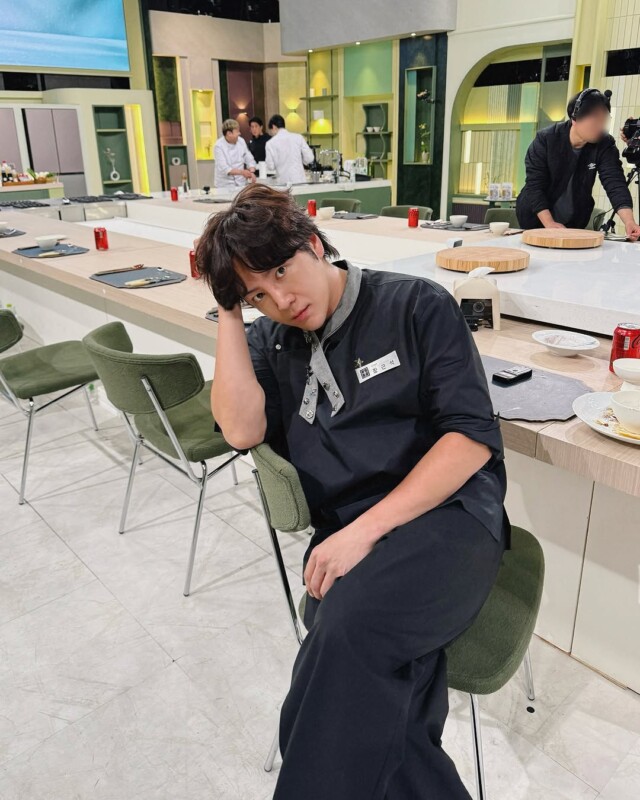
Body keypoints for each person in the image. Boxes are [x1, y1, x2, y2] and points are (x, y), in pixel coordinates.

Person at [196, 183, 509, 800]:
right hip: (350, 533)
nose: (282, 300)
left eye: (281, 272)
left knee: (339, 640)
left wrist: (363, 532)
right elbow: (240, 430)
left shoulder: (414, 305)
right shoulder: (269, 341)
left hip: (449, 517)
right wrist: (230, 311)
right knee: (373, 695)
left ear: (314, 244)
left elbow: (470, 439)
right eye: (258, 294)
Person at [516, 88, 640, 240]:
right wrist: (549, 224)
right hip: (536, 220)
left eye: (604, 120)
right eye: (595, 121)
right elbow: (534, 185)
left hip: (574, 223)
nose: (600, 127)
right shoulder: (546, 139)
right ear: (575, 118)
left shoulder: (604, 144)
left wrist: (629, 222)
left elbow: (615, 183)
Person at [265, 114, 314, 184]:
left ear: (273, 126)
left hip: (283, 182)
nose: (271, 134)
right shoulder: (298, 137)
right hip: (299, 180)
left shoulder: (270, 143)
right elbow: (310, 158)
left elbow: (270, 166)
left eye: (271, 131)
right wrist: (302, 161)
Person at [214, 119, 257, 189]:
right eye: (237, 131)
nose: (239, 133)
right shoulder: (219, 146)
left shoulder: (241, 141)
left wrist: (251, 171)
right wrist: (242, 172)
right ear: (229, 133)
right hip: (225, 185)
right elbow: (225, 168)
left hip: (241, 183)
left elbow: (248, 157)